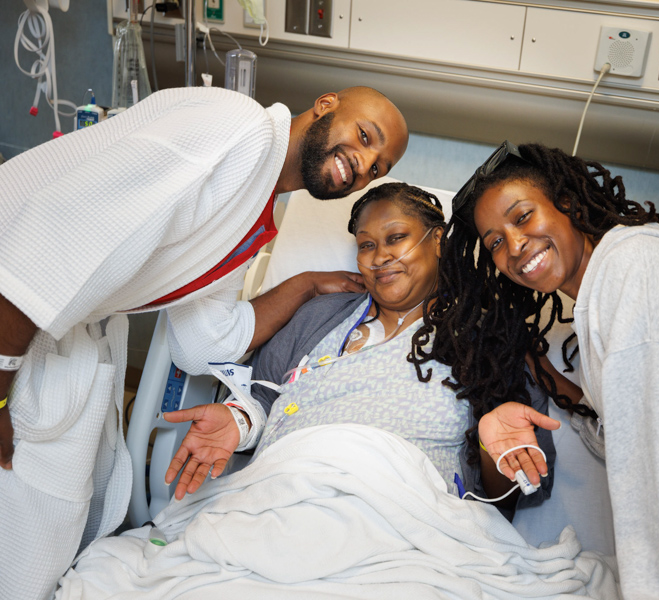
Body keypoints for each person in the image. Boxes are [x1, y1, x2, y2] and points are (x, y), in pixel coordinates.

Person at [0, 85, 408, 600]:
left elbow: (203, 340)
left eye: (379, 166)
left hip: (53, 330)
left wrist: (302, 284)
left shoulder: (257, 207)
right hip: (13, 309)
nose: (365, 163)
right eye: (365, 137)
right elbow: (44, 242)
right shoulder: (235, 129)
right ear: (326, 105)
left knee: (44, 549)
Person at [417, 141, 659, 599]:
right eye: (495, 242)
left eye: (522, 217)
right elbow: (636, 429)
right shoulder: (607, 291)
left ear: (567, 202)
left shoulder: (637, 272)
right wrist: (542, 372)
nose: (514, 246)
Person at [162, 182, 557, 506]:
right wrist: (239, 421)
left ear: (438, 240)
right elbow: (260, 399)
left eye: (396, 238)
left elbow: (519, 490)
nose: (379, 257)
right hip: (279, 498)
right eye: (366, 245)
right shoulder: (322, 316)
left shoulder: (487, 339)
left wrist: (494, 453)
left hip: (408, 520)